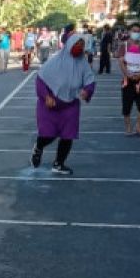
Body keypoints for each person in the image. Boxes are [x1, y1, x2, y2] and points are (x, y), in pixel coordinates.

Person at [31, 32, 96, 175]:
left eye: (82, 45)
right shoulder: (55, 61)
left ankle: (59, 164)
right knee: (49, 135)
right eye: (76, 44)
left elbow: (90, 80)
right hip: (51, 105)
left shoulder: (83, 63)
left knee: (68, 135)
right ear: (69, 45)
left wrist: (87, 91)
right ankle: (38, 147)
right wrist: (46, 96)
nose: (79, 47)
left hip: (70, 105)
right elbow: (40, 79)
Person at [117, 22, 140, 136]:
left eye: (138, 31)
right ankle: (128, 127)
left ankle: (138, 126)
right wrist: (127, 74)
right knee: (127, 105)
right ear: (129, 32)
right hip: (127, 80)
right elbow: (120, 61)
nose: (136, 33)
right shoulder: (124, 46)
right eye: (134, 31)